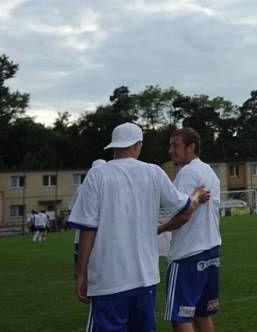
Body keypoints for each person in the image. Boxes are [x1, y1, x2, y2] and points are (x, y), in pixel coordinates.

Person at [68, 122, 210, 332]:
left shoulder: (97, 175)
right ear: (138, 146)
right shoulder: (154, 172)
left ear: (114, 147)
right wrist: (197, 195)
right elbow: (185, 205)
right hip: (145, 278)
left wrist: (81, 273)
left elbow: (88, 229)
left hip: (109, 279)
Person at [158, 127, 222, 332]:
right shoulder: (209, 171)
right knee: (202, 316)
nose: (170, 151)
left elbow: (184, 214)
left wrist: (159, 229)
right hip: (211, 250)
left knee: (180, 317)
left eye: (175, 145)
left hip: (188, 253)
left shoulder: (188, 172)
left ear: (191, 147)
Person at [68, 158, 106, 272]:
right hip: (97, 229)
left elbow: (72, 208)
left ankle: (81, 271)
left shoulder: (81, 187)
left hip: (88, 228)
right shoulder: (83, 187)